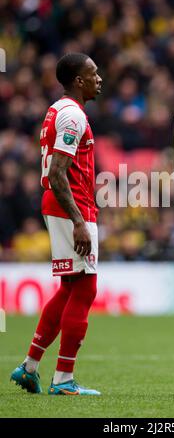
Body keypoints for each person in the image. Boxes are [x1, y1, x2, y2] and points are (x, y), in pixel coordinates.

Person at [11, 53, 102, 395]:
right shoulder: (73, 116)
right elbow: (57, 172)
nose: (99, 78)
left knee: (69, 288)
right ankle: (63, 379)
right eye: (94, 73)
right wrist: (79, 220)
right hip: (72, 207)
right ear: (79, 81)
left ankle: (30, 366)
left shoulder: (56, 110)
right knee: (85, 289)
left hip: (63, 205)